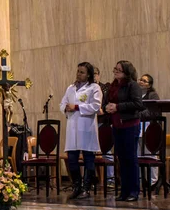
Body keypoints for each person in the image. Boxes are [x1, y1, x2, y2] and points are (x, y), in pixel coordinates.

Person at [60, 62, 102, 199]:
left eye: (82, 72)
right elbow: (62, 103)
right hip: (72, 127)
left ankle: (86, 188)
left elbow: (95, 106)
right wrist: (65, 107)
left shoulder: (94, 88)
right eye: (78, 71)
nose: (79, 74)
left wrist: (77, 107)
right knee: (72, 158)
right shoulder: (70, 88)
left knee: (89, 158)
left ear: (88, 74)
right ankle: (76, 187)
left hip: (86, 127)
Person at [105, 60, 144, 202]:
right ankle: (124, 191)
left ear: (127, 72)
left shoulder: (132, 85)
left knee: (130, 158)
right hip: (117, 125)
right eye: (115, 69)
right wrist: (107, 107)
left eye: (119, 70)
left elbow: (138, 104)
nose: (115, 71)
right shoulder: (114, 86)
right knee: (121, 159)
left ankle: (133, 191)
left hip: (130, 125)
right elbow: (108, 101)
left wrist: (118, 107)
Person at [138, 73, 161, 185]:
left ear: (149, 84)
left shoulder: (153, 95)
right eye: (140, 80)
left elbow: (153, 111)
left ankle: (153, 182)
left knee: (150, 154)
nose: (141, 82)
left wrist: (138, 113)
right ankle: (140, 182)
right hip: (137, 127)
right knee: (138, 156)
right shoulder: (136, 95)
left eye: (144, 80)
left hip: (149, 128)